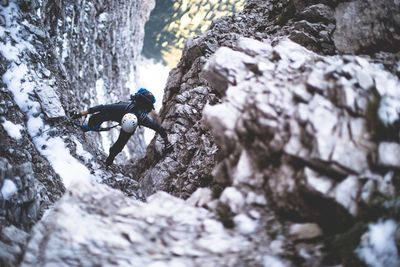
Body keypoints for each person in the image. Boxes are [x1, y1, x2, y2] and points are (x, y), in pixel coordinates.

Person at [72, 88, 173, 166]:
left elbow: (159, 129)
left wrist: (167, 143)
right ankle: (89, 127)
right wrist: (80, 114)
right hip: (116, 114)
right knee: (97, 117)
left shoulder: (142, 119)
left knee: (118, 146)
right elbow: (102, 107)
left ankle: (110, 160)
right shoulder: (120, 107)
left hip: (128, 123)